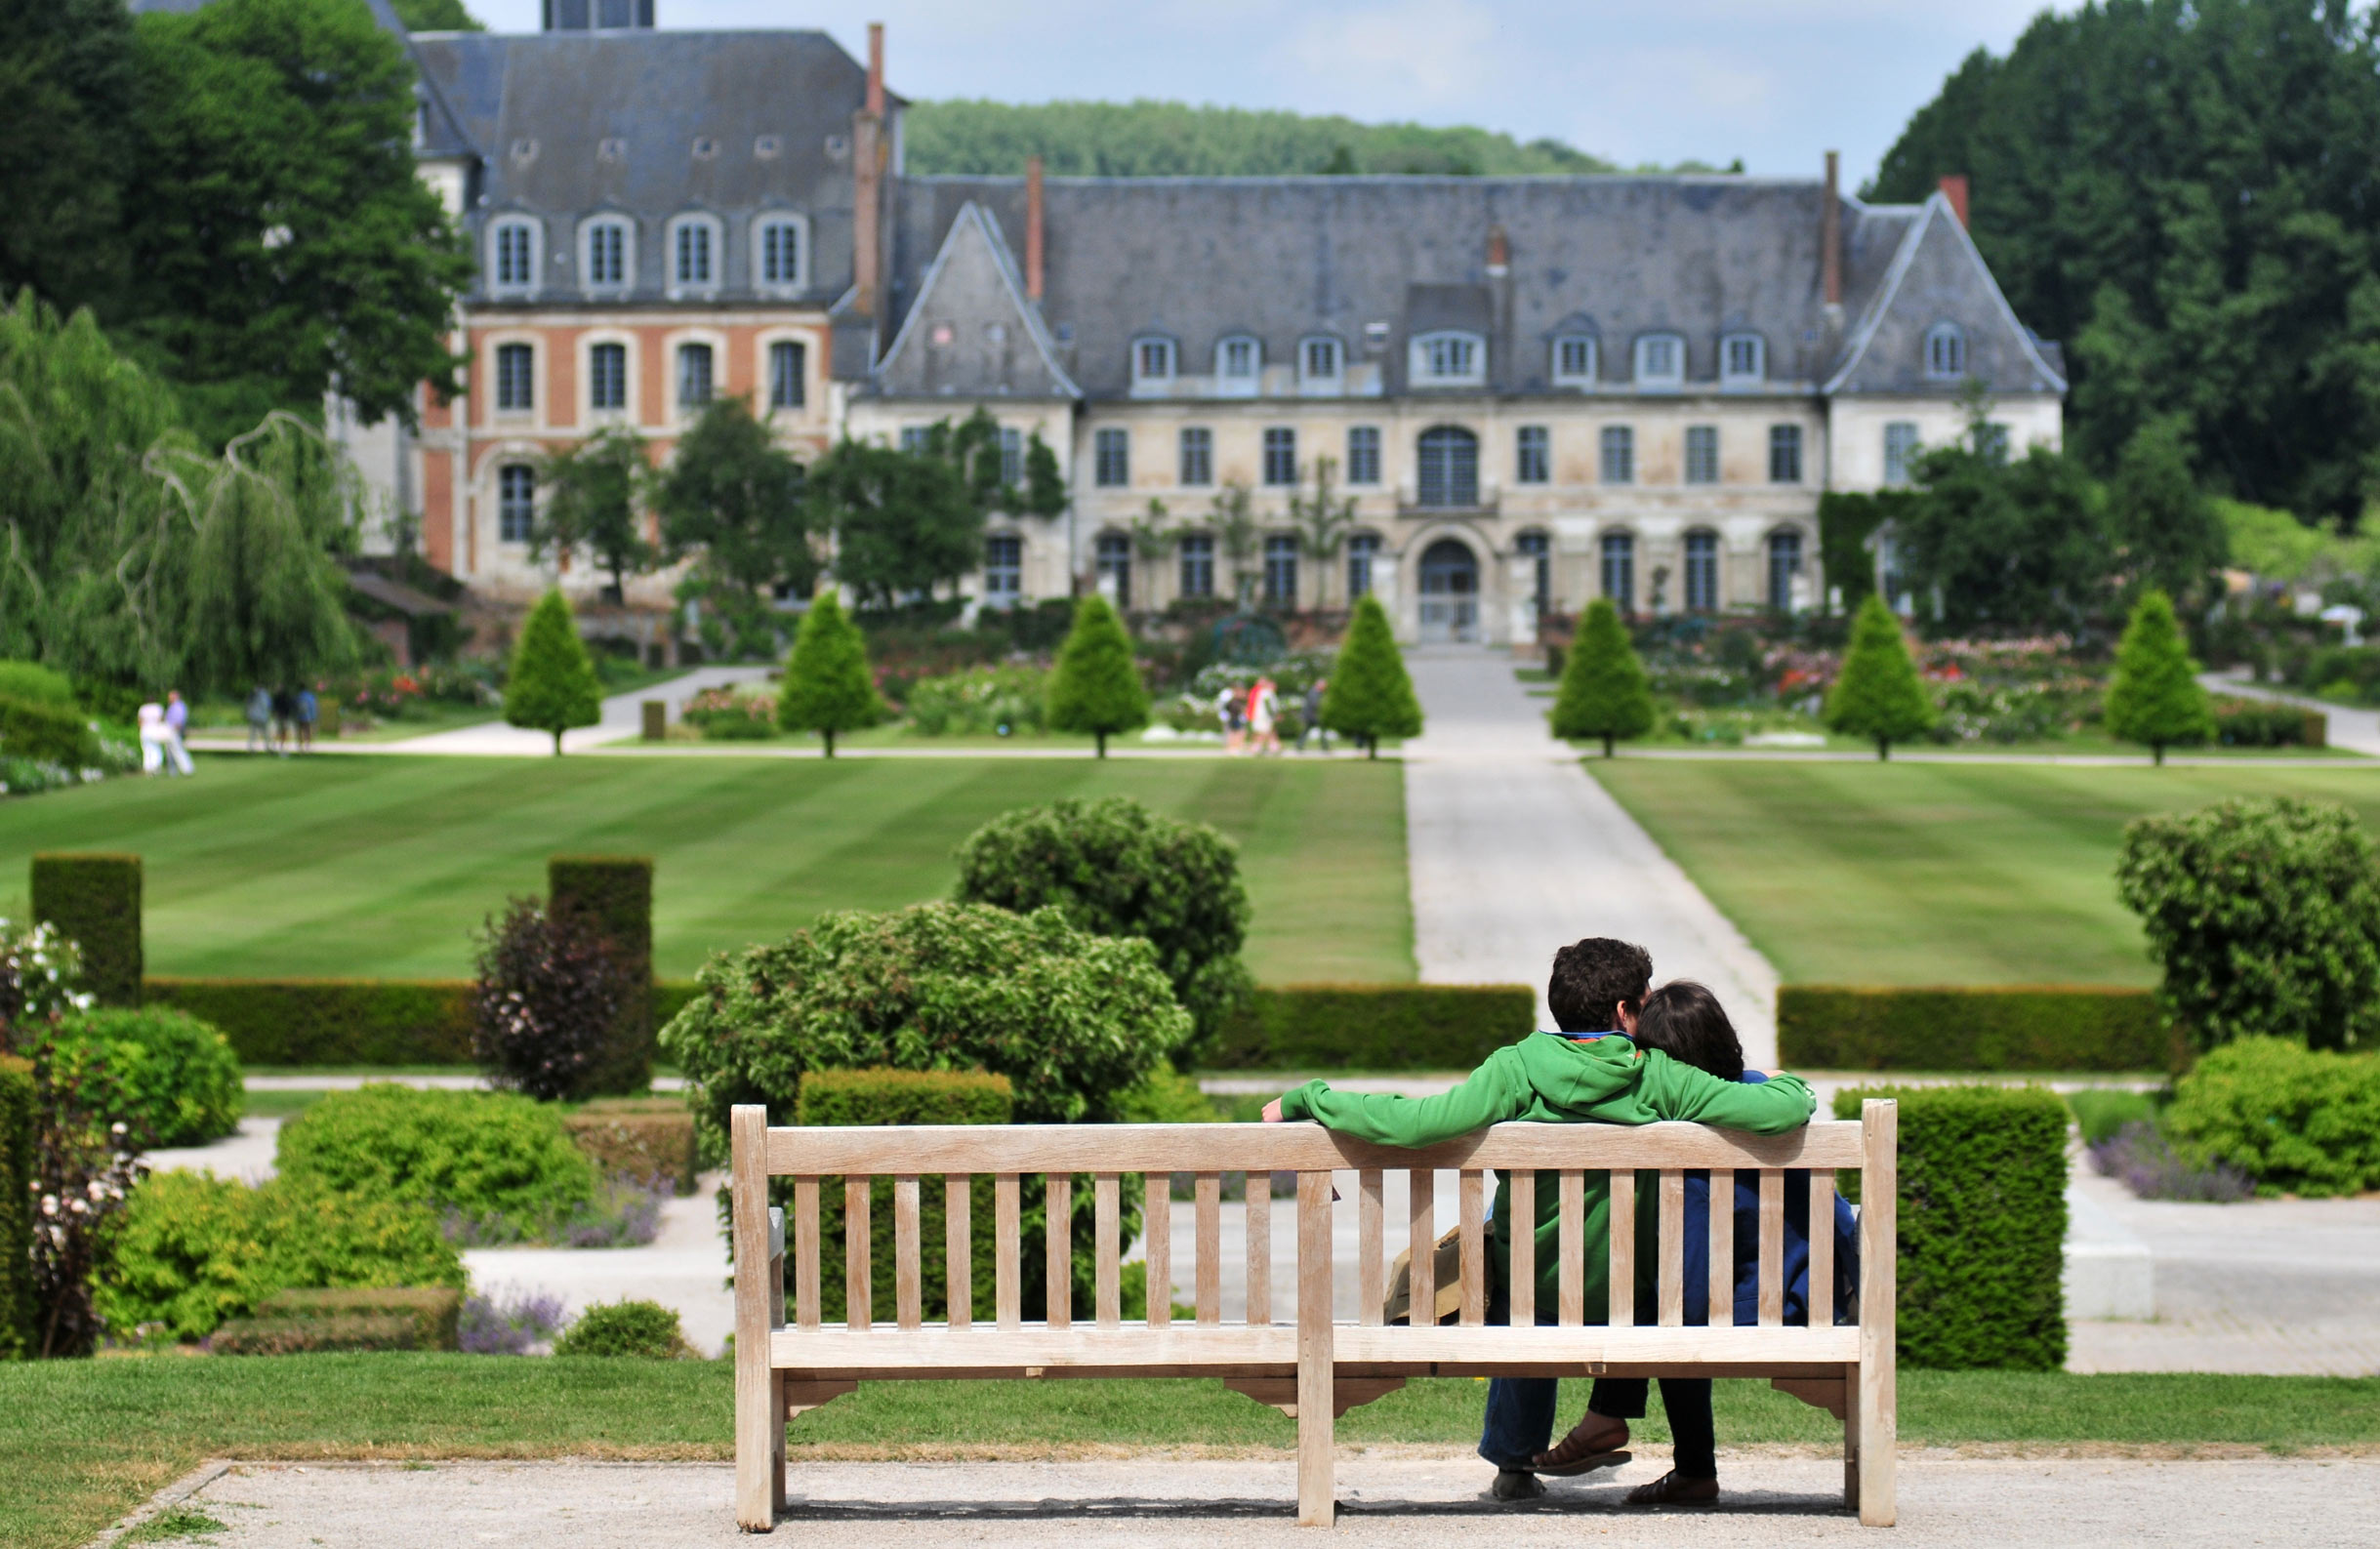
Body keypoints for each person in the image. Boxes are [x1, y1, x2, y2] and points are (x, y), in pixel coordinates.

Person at [1261, 938, 1817, 1503]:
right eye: (1644, 1002)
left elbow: (1415, 1123)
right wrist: (1786, 1080)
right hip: (1632, 1299)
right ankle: (1621, 1423)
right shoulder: (1660, 1077)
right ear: (1624, 1013)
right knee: (1629, 1272)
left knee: (1515, 1270)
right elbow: (1786, 1108)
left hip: (1536, 1294)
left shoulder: (1517, 1067)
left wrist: (1312, 1097)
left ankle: (1514, 1461)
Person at [1527, 979, 1861, 1505]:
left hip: (1750, 1307)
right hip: (1811, 1296)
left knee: (1664, 1308)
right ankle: (1648, 1447)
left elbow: (1694, 1277)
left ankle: (1631, 1433)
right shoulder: (1763, 1094)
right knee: (1670, 1305)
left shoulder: (1686, 1137)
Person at [161, 689, 195, 777]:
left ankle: (187, 769)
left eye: (171, 696)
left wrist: (175, 730)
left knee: (178, 750)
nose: (169, 698)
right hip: (169, 731)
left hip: (175, 732)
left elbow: (179, 721)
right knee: (170, 752)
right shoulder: (172, 706)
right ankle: (173, 771)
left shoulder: (179, 706)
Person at [136, 698, 168, 775]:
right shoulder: (158, 707)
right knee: (156, 749)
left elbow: (140, 722)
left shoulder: (143, 708)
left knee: (146, 750)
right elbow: (161, 720)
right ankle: (156, 766)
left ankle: (147, 767)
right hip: (155, 730)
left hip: (145, 730)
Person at [1250, 676, 1281, 755]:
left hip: (1263, 716)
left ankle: (1270, 747)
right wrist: (1274, 715)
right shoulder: (1267, 693)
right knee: (1265, 733)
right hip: (1265, 717)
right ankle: (1262, 748)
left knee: (1267, 732)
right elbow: (1268, 706)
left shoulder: (1263, 692)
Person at [1299, 677, 1329, 753]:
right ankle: (1325, 746)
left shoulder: (1317, 692)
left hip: (1312, 715)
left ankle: (1299, 745)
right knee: (1321, 730)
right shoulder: (1313, 692)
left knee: (1307, 731)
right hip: (1311, 716)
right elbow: (1314, 704)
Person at [269, 685, 298, 755]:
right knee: (281, 733)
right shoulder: (283, 698)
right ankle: (279, 747)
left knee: (281, 733)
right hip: (283, 717)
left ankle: (279, 747)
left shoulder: (278, 698)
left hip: (282, 717)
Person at [245, 685, 272, 754]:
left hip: (254, 716)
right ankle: (268, 747)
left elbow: (248, 705)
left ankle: (251, 748)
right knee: (265, 733)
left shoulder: (253, 695)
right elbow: (267, 705)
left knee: (253, 734)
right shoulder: (265, 695)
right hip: (262, 717)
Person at [1219, 683, 1246, 754]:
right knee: (1235, 733)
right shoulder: (1233, 701)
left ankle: (1235, 747)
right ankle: (1232, 748)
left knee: (1237, 733)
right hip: (1234, 718)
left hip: (1234, 718)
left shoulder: (1236, 701)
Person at [295, 685, 318, 753]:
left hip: (299, 716)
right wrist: (313, 716)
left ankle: (300, 747)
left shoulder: (298, 696)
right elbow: (312, 707)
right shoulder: (310, 696)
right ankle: (307, 746)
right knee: (307, 732)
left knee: (300, 732)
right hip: (308, 717)